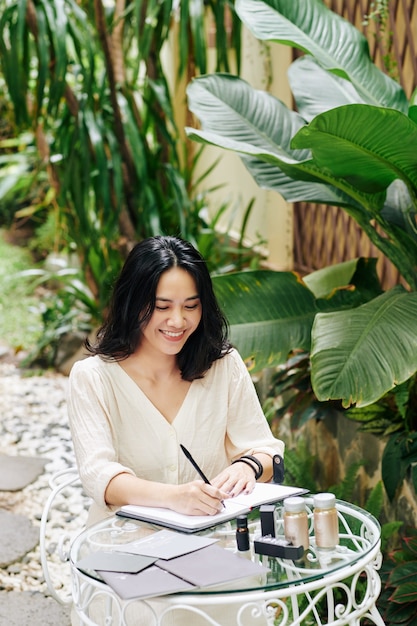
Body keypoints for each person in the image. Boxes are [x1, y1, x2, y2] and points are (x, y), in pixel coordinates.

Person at [67, 235, 284, 526]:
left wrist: (248, 466)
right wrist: (174, 497)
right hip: (124, 550)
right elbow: (99, 477)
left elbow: (266, 451)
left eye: (191, 306)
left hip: (211, 547)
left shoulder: (223, 366)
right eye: (162, 307)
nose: (178, 321)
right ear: (132, 304)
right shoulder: (92, 378)